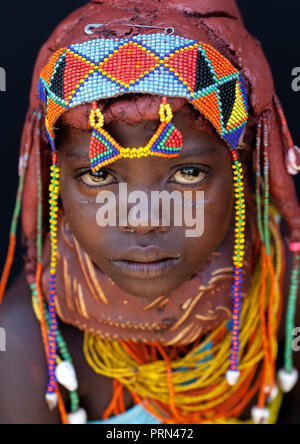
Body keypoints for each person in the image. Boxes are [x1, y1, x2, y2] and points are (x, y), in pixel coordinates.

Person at [0, 0, 300, 424]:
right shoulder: (26, 340)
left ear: (242, 169)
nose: (142, 218)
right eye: (100, 177)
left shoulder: (281, 291)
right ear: (55, 181)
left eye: (189, 173)